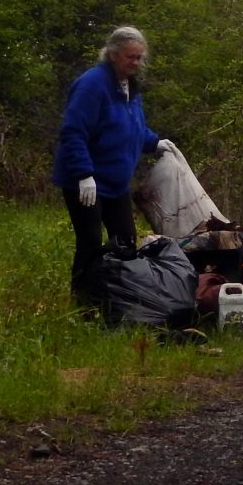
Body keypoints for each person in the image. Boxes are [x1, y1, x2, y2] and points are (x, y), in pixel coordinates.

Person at [52, 26, 176, 295]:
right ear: (113, 55)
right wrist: (84, 174)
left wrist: (154, 142)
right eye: (131, 57)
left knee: (125, 241)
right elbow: (73, 131)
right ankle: (83, 301)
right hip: (86, 182)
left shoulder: (130, 86)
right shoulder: (92, 85)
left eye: (140, 57)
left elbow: (131, 127)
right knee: (90, 240)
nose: (136, 63)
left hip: (116, 183)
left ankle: (118, 296)